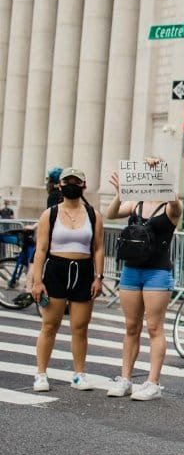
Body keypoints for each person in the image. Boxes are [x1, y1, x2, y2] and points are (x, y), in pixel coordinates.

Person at [103, 159, 184, 401]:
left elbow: (175, 202)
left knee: (154, 327)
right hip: (131, 270)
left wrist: (160, 168)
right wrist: (120, 193)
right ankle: (125, 379)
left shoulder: (170, 207)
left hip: (157, 272)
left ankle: (152, 382)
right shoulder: (135, 203)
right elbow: (111, 213)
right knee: (131, 326)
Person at [27, 168, 105, 393]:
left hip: (84, 270)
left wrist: (98, 277)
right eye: (68, 181)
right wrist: (37, 281)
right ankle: (41, 373)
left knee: (80, 327)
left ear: (83, 186)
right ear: (60, 186)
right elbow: (41, 250)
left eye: (76, 181)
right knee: (50, 325)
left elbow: (99, 248)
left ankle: (79, 374)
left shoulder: (93, 215)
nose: (72, 185)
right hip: (55, 270)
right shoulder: (50, 214)